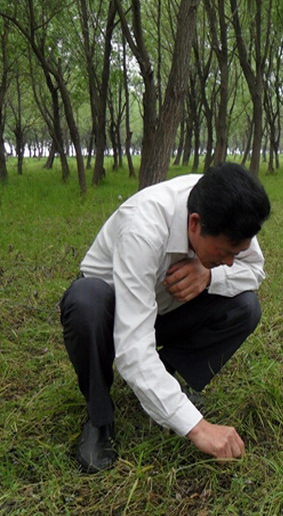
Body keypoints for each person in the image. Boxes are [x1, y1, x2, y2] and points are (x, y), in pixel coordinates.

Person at [59, 162, 271, 473]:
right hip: (113, 313)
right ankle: (99, 419)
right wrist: (198, 428)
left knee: (245, 307)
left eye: (235, 254)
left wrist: (208, 276)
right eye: (224, 253)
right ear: (195, 223)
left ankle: (165, 383)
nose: (229, 261)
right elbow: (133, 347)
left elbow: (254, 270)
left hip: (165, 310)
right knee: (86, 300)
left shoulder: (230, 209)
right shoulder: (143, 228)